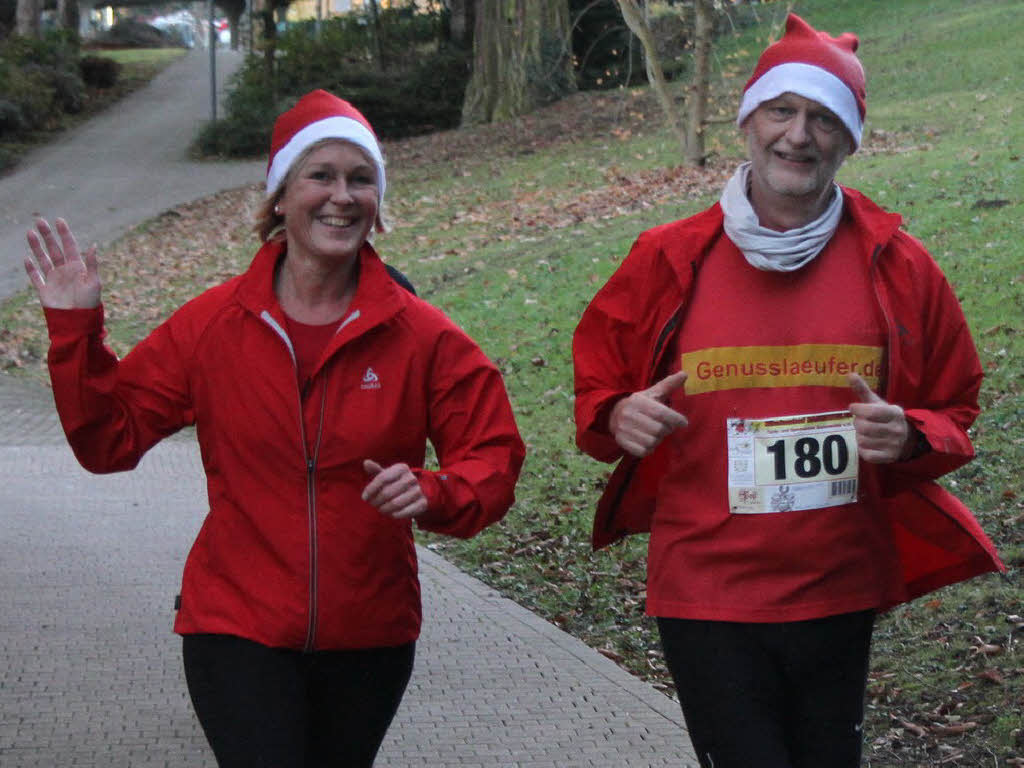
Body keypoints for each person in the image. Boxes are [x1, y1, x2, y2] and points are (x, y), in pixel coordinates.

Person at [24, 89, 525, 767]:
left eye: (361, 179)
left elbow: (492, 456)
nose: (342, 196)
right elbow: (109, 440)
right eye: (320, 175)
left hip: (370, 634)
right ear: (280, 199)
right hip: (235, 627)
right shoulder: (213, 325)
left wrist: (435, 493)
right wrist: (74, 330)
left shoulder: (421, 336)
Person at [572, 14, 1003, 768]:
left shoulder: (897, 263)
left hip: (838, 589)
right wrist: (618, 414)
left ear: (848, 138)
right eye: (782, 111)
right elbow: (598, 391)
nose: (799, 136)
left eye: (824, 118)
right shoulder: (668, 257)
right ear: (749, 120)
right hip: (706, 589)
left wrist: (908, 434)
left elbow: (956, 405)